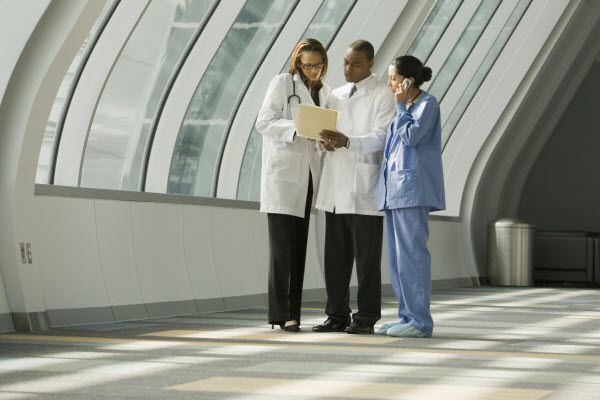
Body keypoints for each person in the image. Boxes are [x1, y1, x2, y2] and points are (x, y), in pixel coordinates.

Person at [312, 40, 395, 334]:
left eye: (356, 63)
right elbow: (324, 131)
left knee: (367, 260)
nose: (348, 68)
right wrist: (325, 142)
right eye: (346, 62)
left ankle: (366, 317)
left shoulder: (383, 95)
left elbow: (382, 137)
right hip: (335, 186)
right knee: (335, 257)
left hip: (364, 189)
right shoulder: (334, 95)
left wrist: (348, 141)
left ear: (370, 63)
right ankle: (336, 315)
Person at [255, 38, 331, 332]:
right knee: (281, 249)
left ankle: (294, 314)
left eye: (319, 65)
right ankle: (281, 313)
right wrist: (297, 129)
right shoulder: (282, 84)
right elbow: (264, 122)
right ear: (298, 63)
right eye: (308, 65)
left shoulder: (324, 92)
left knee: (300, 248)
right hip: (283, 178)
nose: (313, 71)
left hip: (309, 178)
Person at [376, 55, 445, 338]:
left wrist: (400, 108)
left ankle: (420, 322)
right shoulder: (404, 107)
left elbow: (412, 138)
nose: (390, 84)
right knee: (397, 260)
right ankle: (406, 316)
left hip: (412, 190)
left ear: (408, 80)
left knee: (413, 257)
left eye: (393, 79)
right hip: (394, 192)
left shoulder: (427, 105)